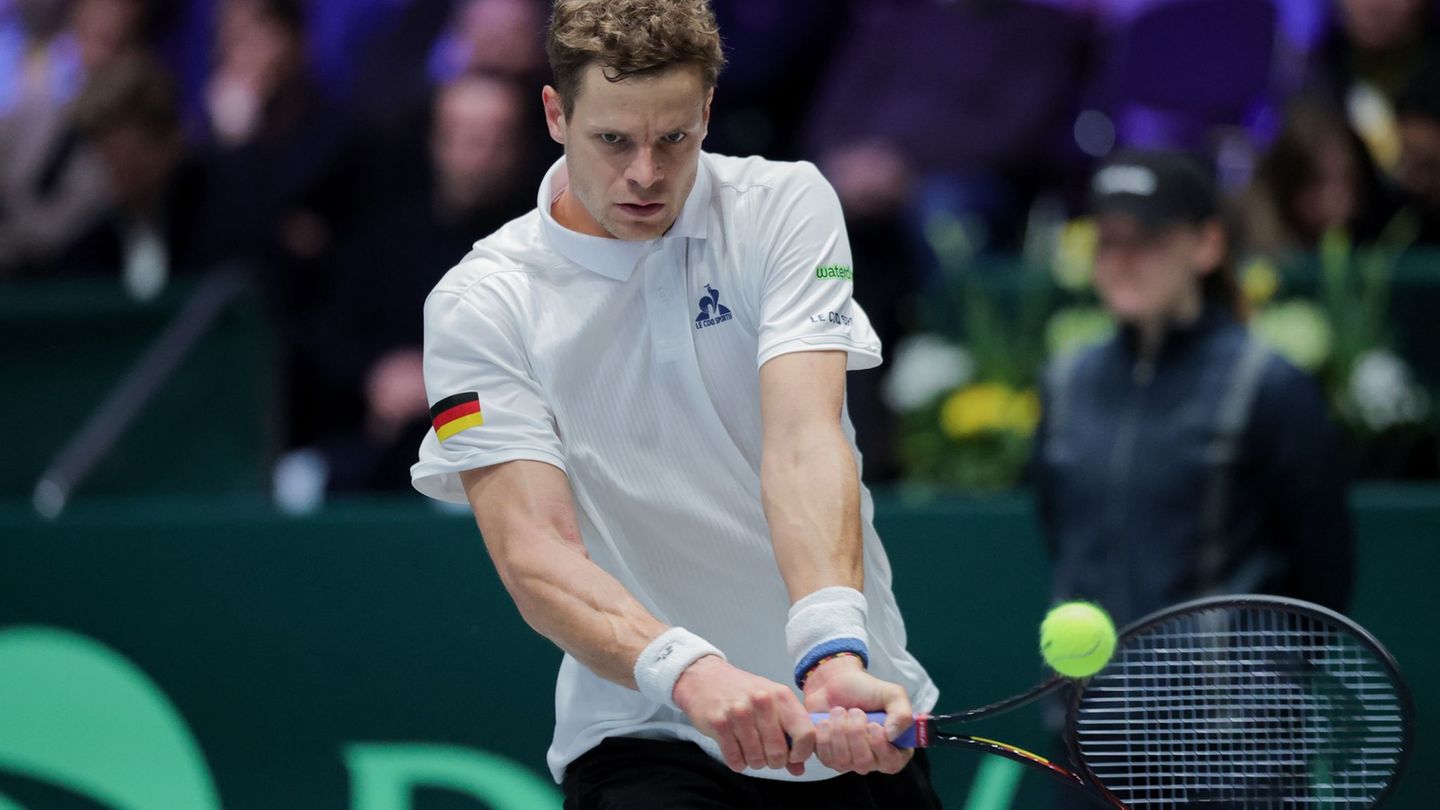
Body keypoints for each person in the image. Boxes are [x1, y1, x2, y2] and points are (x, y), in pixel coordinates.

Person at [409, 1, 940, 807]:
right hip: (644, 733)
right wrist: (687, 671)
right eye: (613, 140)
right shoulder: (478, 303)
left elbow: (803, 441)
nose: (646, 175)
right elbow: (534, 551)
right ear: (556, 114)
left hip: (850, 720)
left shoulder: (786, 207)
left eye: (675, 138)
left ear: (707, 113)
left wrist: (830, 651)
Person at [1034, 150, 1356, 631]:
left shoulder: (1271, 385)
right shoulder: (1064, 381)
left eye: (1147, 239)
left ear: (1208, 244)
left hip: (1237, 706)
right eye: (1107, 241)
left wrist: (1264, 685)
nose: (1122, 261)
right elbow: (1059, 536)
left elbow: (1322, 569)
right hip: (1089, 704)